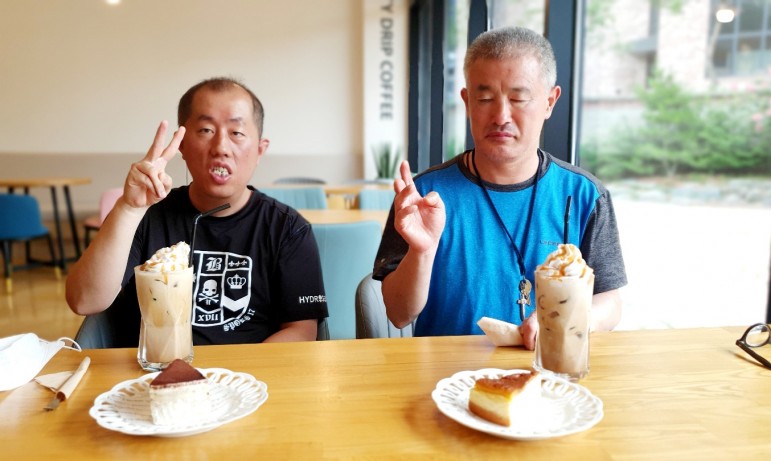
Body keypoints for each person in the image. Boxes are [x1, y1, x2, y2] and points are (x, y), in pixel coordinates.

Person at [373, 27, 627, 350]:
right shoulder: (424, 196)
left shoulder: (584, 195)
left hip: (548, 369)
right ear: (467, 102)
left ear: (550, 102)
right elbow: (398, 314)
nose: (501, 116)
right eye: (484, 99)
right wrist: (422, 252)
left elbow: (609, 301)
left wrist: (570, 318)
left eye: (518, 98)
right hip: (447, 374)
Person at [66, 77, 328, 346]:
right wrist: (129, 209)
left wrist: (230, 372)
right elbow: (84, 301)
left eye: (236, 133)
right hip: (153, 369)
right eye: (205, 130)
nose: (221, 147)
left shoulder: (288, 229)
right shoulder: (146, 215)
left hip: (249, 372)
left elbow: (301, 331)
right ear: (182, 145)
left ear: (260, 150)